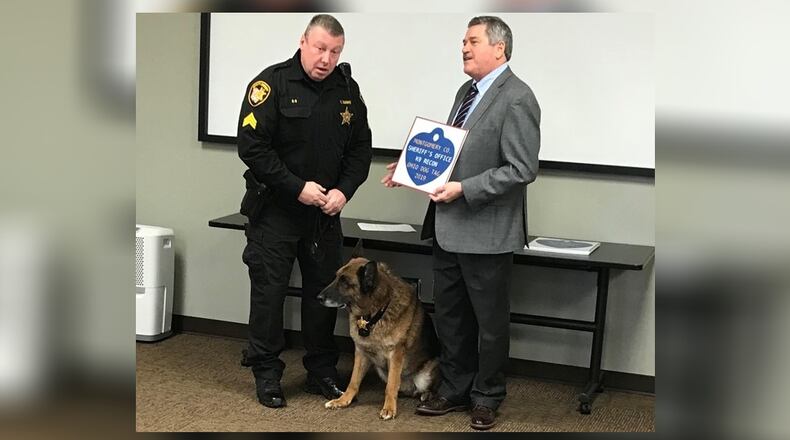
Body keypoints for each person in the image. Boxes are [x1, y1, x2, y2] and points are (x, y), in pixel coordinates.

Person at [381, 16, 540, 430]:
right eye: (463, 41)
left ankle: (486, 396)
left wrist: (464, 188)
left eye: (472, 41)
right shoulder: (465, 92)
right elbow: (450, 154)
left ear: (499, 48)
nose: (464, 48)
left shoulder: (518, 98)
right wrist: (411, 168)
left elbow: (521, 169)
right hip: (448, 228)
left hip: (487, 231)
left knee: (488, 323)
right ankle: (453, 388)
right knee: (451, 317)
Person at [236, 14, 372, 408]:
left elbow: (360, 149)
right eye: (320, 48)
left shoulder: (347, 90)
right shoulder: (271, 84)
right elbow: (252, 147)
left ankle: (321, 371)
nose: (326, 59)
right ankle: (266, 373)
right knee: (269, 294)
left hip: (324, 215)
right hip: (275, 212)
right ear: (302, 42)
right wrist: (297, 188)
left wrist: (344, 192)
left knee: (325, 295)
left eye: (335, 51)